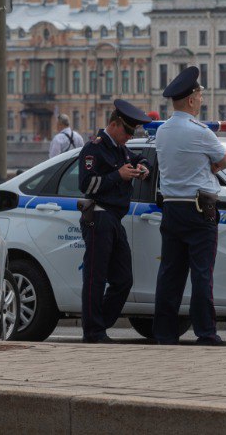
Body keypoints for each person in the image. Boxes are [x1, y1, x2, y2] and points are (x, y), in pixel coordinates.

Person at [153, 66, 226, 346]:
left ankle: (164, 333)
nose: (201, 99)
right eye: (199, 94)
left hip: (171, 208)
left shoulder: (161, 132)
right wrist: (208, 166)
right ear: (190, 100)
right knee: (201, 274)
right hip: (200, 211)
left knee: (170, 275)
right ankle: (206, 333)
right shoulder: (200, 132)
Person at [77, 99, 151, 343]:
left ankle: (101, 323)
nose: (130, 137)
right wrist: (117, 176)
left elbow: (140, 157)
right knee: (95, 276)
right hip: (98, 216)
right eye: (128, 131)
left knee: (123, 279)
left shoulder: (121, 149)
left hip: (114, 219)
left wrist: (143, 166)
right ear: (115, 124)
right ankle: (93, 331)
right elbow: (87, 184)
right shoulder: (94, 149)